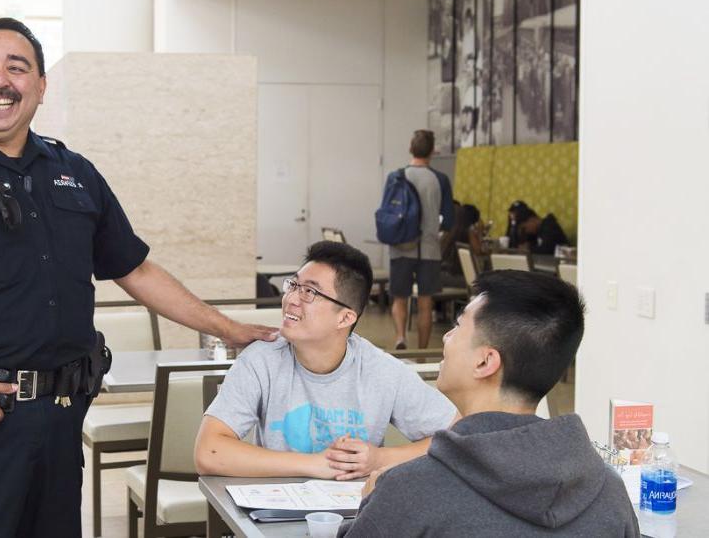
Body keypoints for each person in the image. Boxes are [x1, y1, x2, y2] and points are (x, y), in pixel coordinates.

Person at [0, 17, 278, 538]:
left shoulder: (73, 172)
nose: (0, 80)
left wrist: (227, 328)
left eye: (17, 67)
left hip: (59, 422)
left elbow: (135, 269)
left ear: (41, 86)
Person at [341, 271, 638, 537]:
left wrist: (369, 504)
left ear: (485, 361)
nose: (446, 336)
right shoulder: (609, 492)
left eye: (457, 326)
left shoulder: (408, 491)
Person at [195, 241, 458, 480]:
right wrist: (315, 464)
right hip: (275, 511)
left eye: (310, 292)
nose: (291, 299)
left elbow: (461, 435)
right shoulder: (261, 360)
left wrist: (381, 459)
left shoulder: (381, 370)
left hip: (360, 516)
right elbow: (209, 452)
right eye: (294, 285)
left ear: (345, 318)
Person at [388, 130, 454, 351]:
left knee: (399, 297)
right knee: (425, 303)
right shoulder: (440, 180)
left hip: (400, 246)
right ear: (432, 152)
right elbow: (449, 220)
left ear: (410, 149)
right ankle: (423, 352)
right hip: (429, 249)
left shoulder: (395, 177)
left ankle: (400, 336)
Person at [440, 202, 486, 287]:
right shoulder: (468, 232)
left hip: (439, 276)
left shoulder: (446, 233)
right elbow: (479, 251)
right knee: (483, 284)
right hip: (454, 278)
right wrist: (479, 233)